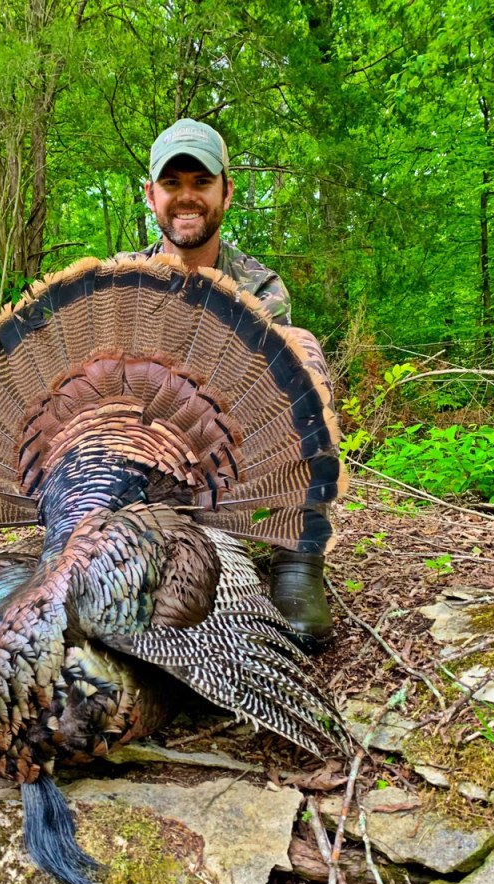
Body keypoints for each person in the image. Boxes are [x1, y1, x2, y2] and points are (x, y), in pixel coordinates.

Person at [128, 117, 337, 650]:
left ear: (226, 191)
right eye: (172, 184)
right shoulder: (120, 279)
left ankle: (296, 553)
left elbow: (259, 407)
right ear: (151, 194)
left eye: (201, 182)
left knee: (301, 353)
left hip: (227, 469)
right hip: (143, 473)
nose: (186, 197)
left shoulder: (260, 285)